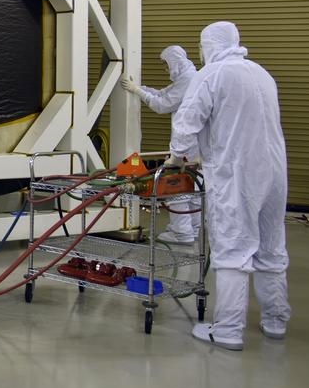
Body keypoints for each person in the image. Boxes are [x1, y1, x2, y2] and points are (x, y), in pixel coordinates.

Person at [168, 21, 289, 351]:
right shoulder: (260, 73)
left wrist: (176, 158)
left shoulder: (212, 75)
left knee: (234, 249)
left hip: (238, 174)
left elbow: (187, 122)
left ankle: (228, 330)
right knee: (271, 246)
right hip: (275, 173)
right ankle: (275, 321)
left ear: (208, 44)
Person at [122, 44, 201, 244]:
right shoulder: (189, 76)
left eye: (166, 65)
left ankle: (182, 232)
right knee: (193, 188)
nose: (165, 70)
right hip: (195, 145)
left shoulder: (189, 80)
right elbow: (163, 94)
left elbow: (162, 105)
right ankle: (192, 229)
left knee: (178, 187)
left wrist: (137, 92)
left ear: (174, 62)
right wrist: (139, 89)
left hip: (188, 145)